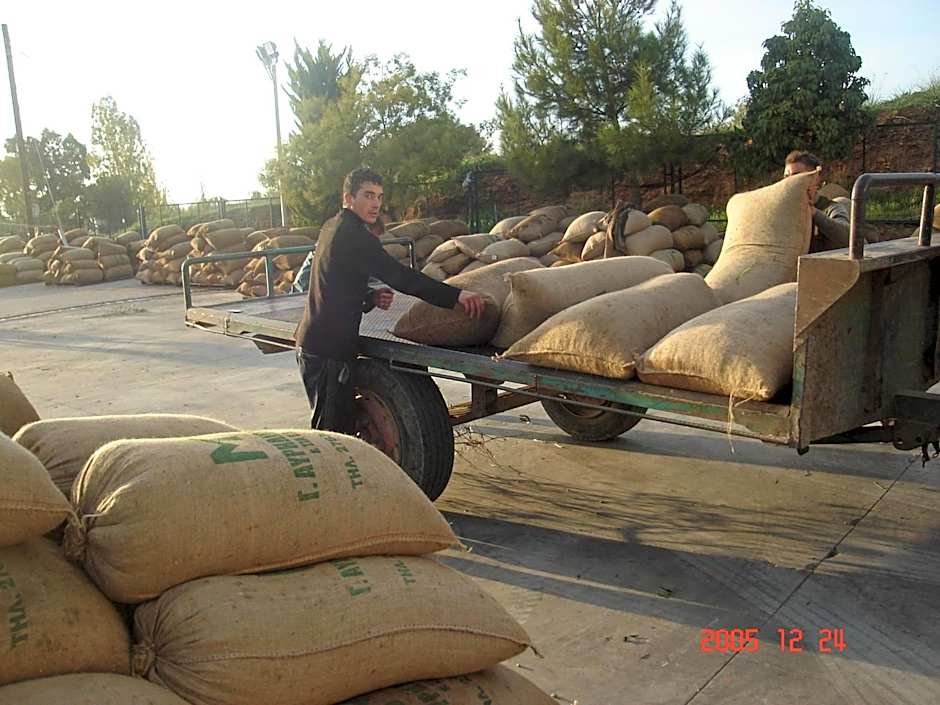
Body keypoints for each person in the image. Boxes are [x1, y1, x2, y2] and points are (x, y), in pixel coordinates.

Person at [294, 167, 485, 433]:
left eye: (379, 197)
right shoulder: (354, 235)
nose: (375, 204)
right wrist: (456, 296)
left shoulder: (333, 226)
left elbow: (332, 281)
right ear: (348, 198)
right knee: (333, 434)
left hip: (317, 343)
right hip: (328, 350)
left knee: (333, 428)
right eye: (368, 195)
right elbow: (402, 277)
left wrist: (369, 297)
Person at [783, 150, 879, 251]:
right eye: (786, 177)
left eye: (797, 176)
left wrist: (814, 213)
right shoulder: (783, 211)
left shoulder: (831, 208)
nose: (790, 182)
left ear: (815, 178)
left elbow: (853, 239)